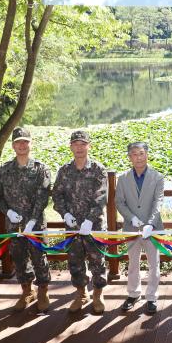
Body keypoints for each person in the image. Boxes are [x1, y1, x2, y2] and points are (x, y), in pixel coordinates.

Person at [0, 127, 52, 313]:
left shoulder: (41, 169)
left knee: (39, 258)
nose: (22, 145)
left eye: (25, 142)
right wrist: (7, 211)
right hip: (14, 226)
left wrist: (33, 221)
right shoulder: (4, 171)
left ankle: (43, 292)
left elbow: (43, 197)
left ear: (30, 144)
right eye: (18, 142)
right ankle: (27, 291)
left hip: (36, 225)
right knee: (19, 259)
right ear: (13, 146)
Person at [52, 130, 109, 314]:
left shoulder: (98, 169)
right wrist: (65, 214)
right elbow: (57, 195)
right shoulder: (64, 170)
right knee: (75, 262)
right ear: (71, 147)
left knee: (97, 261)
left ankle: (98, 295)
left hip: (94, 227)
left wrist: (90, 220)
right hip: (73, 227)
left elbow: (101, 197)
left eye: (82, 144)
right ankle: (81, 294)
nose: (79, 148)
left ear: (88, 146)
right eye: (75, 144)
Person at [115, 142, 164, 315]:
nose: (138, 157)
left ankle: (151, 297)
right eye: (134, 154)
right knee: (133, 262)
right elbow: (119, 202)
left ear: (147, 155)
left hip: (153, 228)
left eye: (141, 153)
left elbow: (158, 202)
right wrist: (132, 218)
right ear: (129, 157)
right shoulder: (123, 178)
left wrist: (150, 223)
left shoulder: (157, 177)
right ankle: (133, 294)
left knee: (154, 263)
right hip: (131, 227)